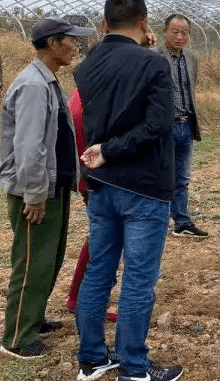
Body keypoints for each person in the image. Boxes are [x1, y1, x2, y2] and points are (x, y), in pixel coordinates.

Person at [74, 0, 183, 381]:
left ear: (104, 26)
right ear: (145, 22)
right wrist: (112, 149)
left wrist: (102, 151)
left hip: (102, 187)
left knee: (98, 272)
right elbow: (157, 125)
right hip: (142, 186)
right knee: (138, 278)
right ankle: (134, 368)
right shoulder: (153, 63)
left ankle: (92, 358)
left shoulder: (87, 66)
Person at [0, 16, 94, 359]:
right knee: (32, 261)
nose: (74, 47)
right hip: (36, 192)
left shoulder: (47, 81)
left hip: (53, 187)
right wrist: (34, 196)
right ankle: (18, 338)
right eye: (71, 41)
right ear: (53, 44)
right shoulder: (34, 86)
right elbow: (29, 147)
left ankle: (32, 319)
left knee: (47, 259)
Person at [65, 27, 156, 321]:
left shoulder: (83, 95)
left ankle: (79, 298)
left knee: (99, 242)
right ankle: (80, 299)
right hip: (97, 177)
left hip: (91, 176)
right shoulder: (86, 101)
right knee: (100, 245)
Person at [160, 13, 208, 238]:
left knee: (182, 177)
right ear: (165, 32)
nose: (180, 37)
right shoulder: (154, 56)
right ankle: (158, 221)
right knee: (161, 174)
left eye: (184, 33)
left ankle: (182, 221)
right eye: (175, 32)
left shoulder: (191, 57)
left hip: (186, 125)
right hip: (163, 126)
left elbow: (192, 87)